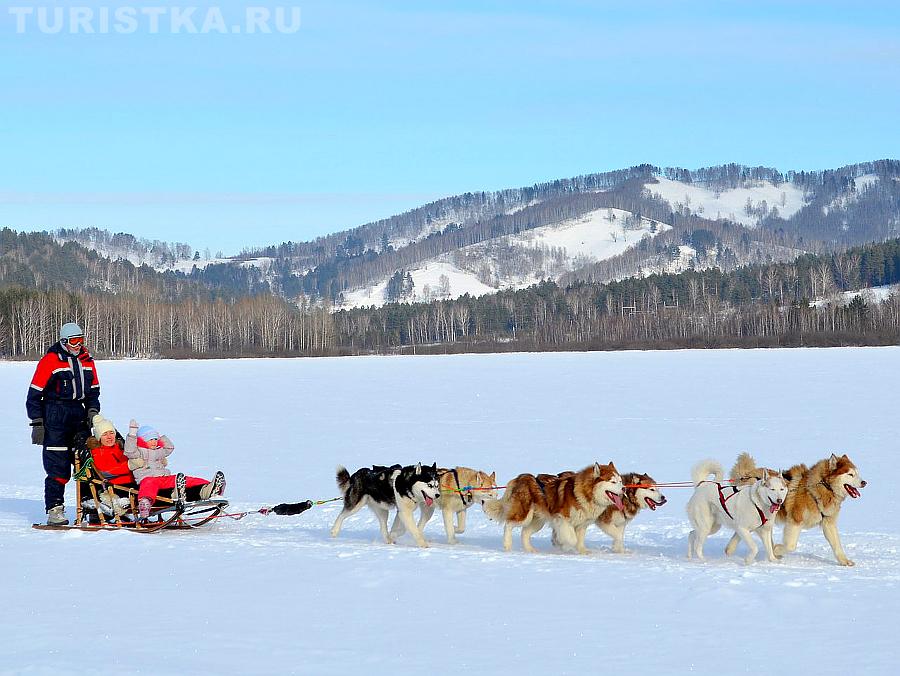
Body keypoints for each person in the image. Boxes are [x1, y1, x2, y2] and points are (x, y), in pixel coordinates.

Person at [26, 322, 101, 526]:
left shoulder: (87, 361)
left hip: (79, 416)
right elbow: (34, 395)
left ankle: (91, 507)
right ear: (64, 341)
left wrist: (92, 411)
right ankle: (55, 509)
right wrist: (37, 423)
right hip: (55, 417)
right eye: (74, 341)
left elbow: (93, 392)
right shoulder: (50, 361)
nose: (78, 345)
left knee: (88, 464)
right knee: (57, 466)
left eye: (81, 340)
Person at [124, 419, 225, 519]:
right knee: (148, 484)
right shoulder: (138, 452)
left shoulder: (159, 451)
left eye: (155, 439)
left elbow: (170, 448)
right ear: (142, 440)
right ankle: (145, 503)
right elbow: (129, 451)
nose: (154, 442)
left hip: (163, 478)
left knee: (184, 479)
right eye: (150, 439)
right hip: (148, 478)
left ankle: (209, 488)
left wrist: (161, 437)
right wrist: (132, 434)